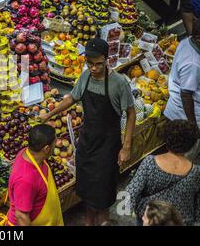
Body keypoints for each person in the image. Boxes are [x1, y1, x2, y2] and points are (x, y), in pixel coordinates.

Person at [39, 38, 136, 226]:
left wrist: (126, 146)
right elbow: (72, 98)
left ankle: (103, 222)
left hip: (107, 148)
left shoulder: (118, 83)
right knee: (86, 193)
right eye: (89, 64)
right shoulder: (85, 77)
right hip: (86, 143)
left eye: (98, 64)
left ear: (106, 59)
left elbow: (131, 114)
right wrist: (49, 115)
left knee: (102, 195)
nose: (93, 68)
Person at [126, 120, 200, 226]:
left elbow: (130, 192)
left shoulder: (150, 163)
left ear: (166, 139)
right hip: (180, 221)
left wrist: (125, 213)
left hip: (150, 218)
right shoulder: (196, 172)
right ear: (191, 145)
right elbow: (198, 207)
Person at [4, 124, 63, 226]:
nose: (56, 144)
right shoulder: (25, 180)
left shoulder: (30, 154)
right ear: (47, 148)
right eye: (55, 142)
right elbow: (21, 217)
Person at [164, 19, 200, 161]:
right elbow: (186, 94)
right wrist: (193, 127)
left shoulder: (186, 41)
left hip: (177, 111)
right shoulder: (193, 63)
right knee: (184, 159)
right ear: (198, 38)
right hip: (186, 116)